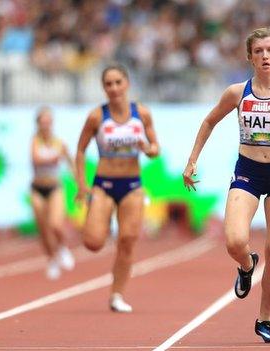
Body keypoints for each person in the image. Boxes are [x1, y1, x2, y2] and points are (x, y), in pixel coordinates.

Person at [183, 27, 270, 343]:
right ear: (250, 57)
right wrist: (192, 160)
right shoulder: (237, 92)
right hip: (247, 172)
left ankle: (265, 320)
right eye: (258, 51)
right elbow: (209, 121)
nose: (265, 56)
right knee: (234, 240)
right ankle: (246, 265)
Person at [75, 63, 160, 312]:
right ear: (103, 88)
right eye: (108, 84)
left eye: (117, 82)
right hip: (104, 184)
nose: (113, 88)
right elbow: (80, 150)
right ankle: (99, 216)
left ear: (127, 84)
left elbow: (156, 148)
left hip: (132, 185)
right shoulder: (96, 117)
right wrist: (82, 186)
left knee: (127, 241)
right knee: (92, 242)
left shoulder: (141, 113)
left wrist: (148, 149)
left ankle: (116, 295)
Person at [30, 107, 76, 280]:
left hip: (55, 187)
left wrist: (79, 183)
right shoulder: (35, 140)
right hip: (37, 188)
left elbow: (70, 162)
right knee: (43, 229)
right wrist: (53, 158)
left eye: (49, 121)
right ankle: (52, 259)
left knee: (56, 224)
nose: (46, 125)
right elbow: (35, 159)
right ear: (38, 124)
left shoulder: (59, 142)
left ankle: (62, 248)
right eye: (43, 121)